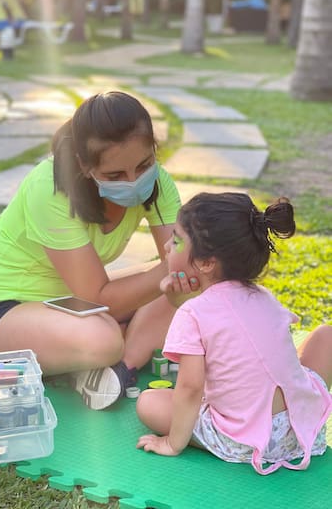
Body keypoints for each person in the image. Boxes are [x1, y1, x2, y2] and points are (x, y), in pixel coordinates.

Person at [0, 91, 198, 410]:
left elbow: (184, 269)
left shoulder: (158, 184)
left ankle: (119, 368)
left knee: (188, 286)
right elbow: (101, 298)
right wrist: (170, 269)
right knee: (104, 338)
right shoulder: (49, 188)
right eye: (115, 175)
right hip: (3, 310)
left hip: (74, 304)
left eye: (144, 165)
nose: (134, 181)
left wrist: (178, 273)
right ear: (83, 165)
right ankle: (115, 350)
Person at [136, 192, 332, 474]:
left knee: (148, 403)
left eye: (176, 240)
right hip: (299, 425)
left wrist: (173, 443)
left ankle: (216, 441)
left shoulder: (193, 314)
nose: (167, 246)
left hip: (245, 440)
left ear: (205, 263)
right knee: (325, 335)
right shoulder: (263, 295)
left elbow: (191, 388)